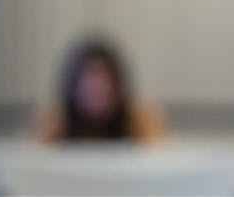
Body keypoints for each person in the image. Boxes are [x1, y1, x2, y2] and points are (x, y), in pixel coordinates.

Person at [34, 34, 167, 144]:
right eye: (88, 78)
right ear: (72, 88)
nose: (96, 88)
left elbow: (160, 163)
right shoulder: (56, 123)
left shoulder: (139, 120)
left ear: (118, 85)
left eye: (104, 79)